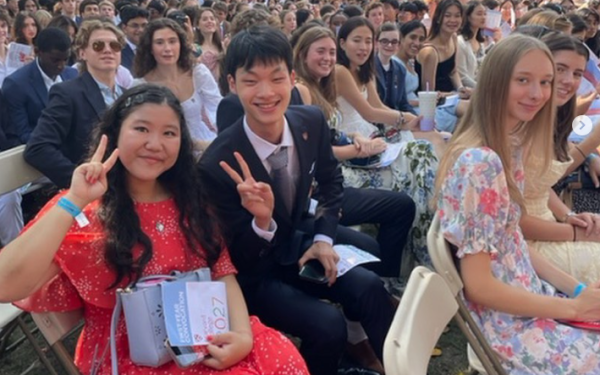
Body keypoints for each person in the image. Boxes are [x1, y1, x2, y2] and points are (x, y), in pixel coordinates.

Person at [1, 83, 310, 375]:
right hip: (131, 355)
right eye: (141, 129)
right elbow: (6, 285)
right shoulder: (84, 212)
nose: (155, 144)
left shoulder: (189, 200)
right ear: (115, 133)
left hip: (203, 336)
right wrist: (74, 200)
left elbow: (221, 268)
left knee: (284, 360)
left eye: (169, 133)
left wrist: (242, 336)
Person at [199, 25, 397, 375]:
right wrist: (261, 222)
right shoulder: (219, 163)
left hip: (297, 243)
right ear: (232, 84)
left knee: (367, 285)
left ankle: (398, 365)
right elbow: (232, 258)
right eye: (251, 81)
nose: (266, 93)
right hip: (254, 272)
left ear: (292, 77)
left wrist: (323, 239)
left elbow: (331, 182)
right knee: (326, 323)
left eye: (276, 78)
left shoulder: (310, 120)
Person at [435, 33, 600, 374]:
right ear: (496, 82)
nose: (538, 94)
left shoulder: (506, 147)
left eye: (545, 82)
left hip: (532, 308)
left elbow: (513, 243)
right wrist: (573, 309)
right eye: (523, 80)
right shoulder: (481, 162)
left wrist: (578, 290)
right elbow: (479, 287)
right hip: (513, 332)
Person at [335, 17, 445, 264]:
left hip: (374, 136)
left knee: (428, 145)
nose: (363, 47)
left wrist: (408, 121)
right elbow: (369, 112)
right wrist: (405, 118)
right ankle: (423, 245)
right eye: (357, 41)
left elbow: (378, 106)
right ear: (342, 43)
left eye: (367, 41)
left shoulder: (365, 70)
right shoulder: (339, 71)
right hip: (354, 143)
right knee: (421, 153)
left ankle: (427, 231)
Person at [517, 33, 600, 284]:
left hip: (551, 223)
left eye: (577, 74)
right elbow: (512, 223)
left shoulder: (549, 115)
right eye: (560, 69)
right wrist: (573, 232)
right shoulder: (520, 120)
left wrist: (568, 216)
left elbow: (539, 185)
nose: (568, 80)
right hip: (529, 246)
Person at [24, 19, 125, 188]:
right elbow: (38, 148)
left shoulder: (128, 95)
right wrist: (80, 180)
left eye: (114, 46)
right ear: (82, 53)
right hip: (92, 194)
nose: (108, 50)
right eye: (98, 45)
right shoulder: (67, 93)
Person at [133, 18, 222, 145]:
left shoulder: (197, 73)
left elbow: (217, 107)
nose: (167, 48)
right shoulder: (141, 86)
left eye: (172, 41)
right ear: (150, 48)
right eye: (159, 42)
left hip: (205, 142)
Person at [3, 27, 77, 144]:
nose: (61, 66)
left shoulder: (73, 75)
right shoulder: (15, 85)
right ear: (38, 52)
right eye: (55, 60)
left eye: (65, 60)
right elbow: (21, 134)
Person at [416, 0, 470, 99]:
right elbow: (428, 93)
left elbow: (453, 72)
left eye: (457, 16)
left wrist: (460, 88)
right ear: (438, 18)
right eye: (448, 16)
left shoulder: (454, 37)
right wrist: (456, 95)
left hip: (452, 96)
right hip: (435, 103)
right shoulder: (430, 52)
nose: (453, 20)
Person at [457, 0, 486, 89]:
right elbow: (462, 76)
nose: (483, 17)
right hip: (468, 91)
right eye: (479, 14)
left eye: (485, 14)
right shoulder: (460, 42)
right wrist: (482, 89)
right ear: (468, 17)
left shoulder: (481, 44)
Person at [119, 6, 149, 73]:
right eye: (135, 26)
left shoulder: (152, 48)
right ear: (124, 28)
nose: (140, 30)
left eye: (144, 25)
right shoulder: (119, 50)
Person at [197, 7, 224, 80]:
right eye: (205, 19)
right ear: (198, 25)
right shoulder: (195, 47)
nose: (209, 21)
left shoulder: (222, 46)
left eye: (212, 19)